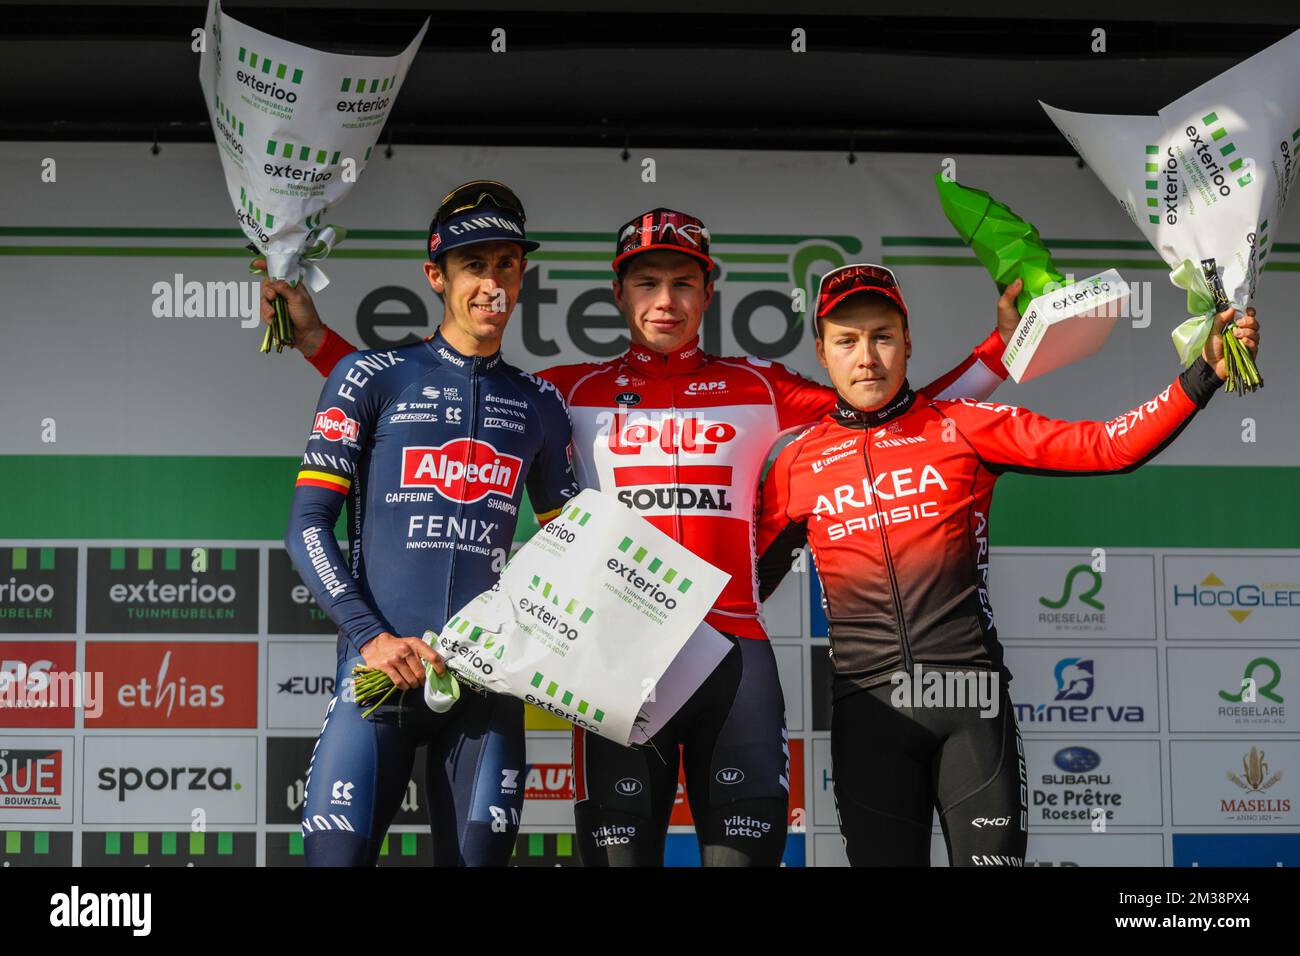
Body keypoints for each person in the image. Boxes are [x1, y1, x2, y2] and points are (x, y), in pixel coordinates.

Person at [272, 207, 1022, 866]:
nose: (665, 301)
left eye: (683, 283)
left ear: (709, 290)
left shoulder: (762, 386)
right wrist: (317, 344)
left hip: (731, 658)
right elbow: (422, 393)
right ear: (618, 293)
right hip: (618, 666)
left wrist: (998, 352)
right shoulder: (563, 391)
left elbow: (891, 412)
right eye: (645, 283)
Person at [754, 262, 1261, 866]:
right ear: (823, 351)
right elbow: (745, 586)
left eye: (882, 336)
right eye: (847, 340)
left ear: (907, 343)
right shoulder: (797, 463)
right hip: (869, 713)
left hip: (972, 705)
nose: (867, 356)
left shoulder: (962, 426)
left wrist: (1203, 375)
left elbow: (1108, 446)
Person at [281, 180, 579, 866]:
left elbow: (571, 551)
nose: (492, 283)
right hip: (377, 672)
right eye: (475, 266)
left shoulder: (540, 404)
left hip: (485, 686)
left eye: (507, 263)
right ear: (436, 276)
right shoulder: (370, 377)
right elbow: (306, 526)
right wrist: (373, 638)